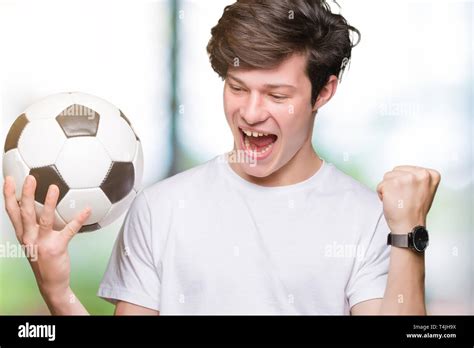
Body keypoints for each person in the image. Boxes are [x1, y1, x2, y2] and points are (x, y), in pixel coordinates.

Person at [3, 0, 440, 315]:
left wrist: (408, 235)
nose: (250, 113)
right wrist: (57, 293)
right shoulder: (161, 208)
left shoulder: (365, 218)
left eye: (276, 94)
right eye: (237, 87)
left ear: (323, 91)